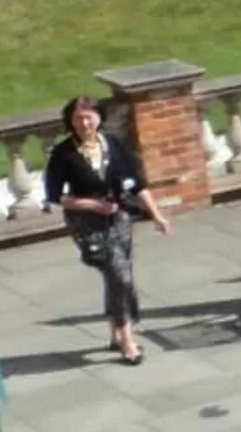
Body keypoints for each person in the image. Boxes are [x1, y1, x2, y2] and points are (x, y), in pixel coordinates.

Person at [42, 96, 171, 364]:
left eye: (89, 117)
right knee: (120, 276)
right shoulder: (63, 153)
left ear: (99, 118)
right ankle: (128, 341)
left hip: (118, 218)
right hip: (86, 223)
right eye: (78, 118)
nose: (84, 123)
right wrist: (92, 205)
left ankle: (115, 333)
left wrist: (157, 215)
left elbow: (136, 184)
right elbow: (55, 196)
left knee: (118, 276)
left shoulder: (112, 144)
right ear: (70, 121)